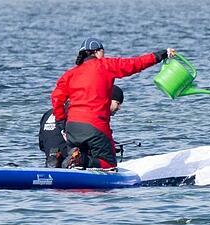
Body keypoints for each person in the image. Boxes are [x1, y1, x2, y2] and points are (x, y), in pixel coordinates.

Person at [51, 38, 174, 169]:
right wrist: (162, 54)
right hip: (95, 126)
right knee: (108, 164)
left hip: (72, 127)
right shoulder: (105, 65)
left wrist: (61, 122)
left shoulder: (69, 74)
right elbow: (135, 64)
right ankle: (81, 160)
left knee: (77, 162)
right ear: (97, 52)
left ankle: (67, 160)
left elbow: (56, 98)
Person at [39, 85, 124, 168]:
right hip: (72, 157)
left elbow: (42, 144)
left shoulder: (48, 114)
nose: (119, 108)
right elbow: (87, 136)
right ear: (108, 99)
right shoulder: (87, 113)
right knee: (107, 161)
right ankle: (78, 160)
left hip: (52, 155)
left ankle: (57, 158)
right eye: (118, 103)